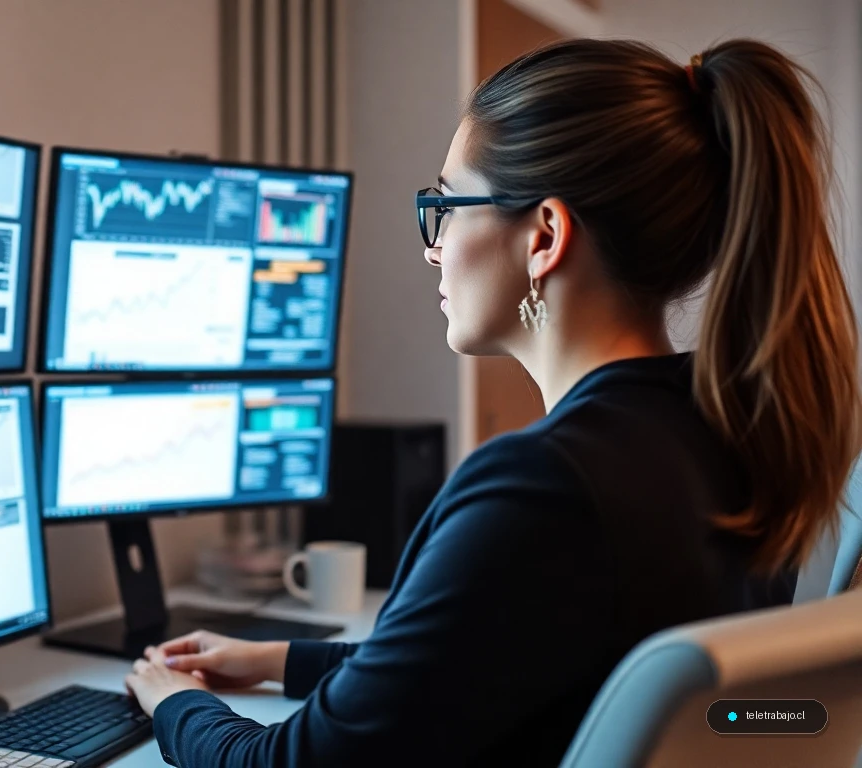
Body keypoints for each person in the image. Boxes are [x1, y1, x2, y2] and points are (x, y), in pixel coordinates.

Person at [122, 38, 862, 766]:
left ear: (544, 236)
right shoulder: (723, 434)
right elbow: (484, 657)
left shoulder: (545, 486)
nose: (433, 248)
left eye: (446, 206)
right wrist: (278, 658)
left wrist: (172, 702)